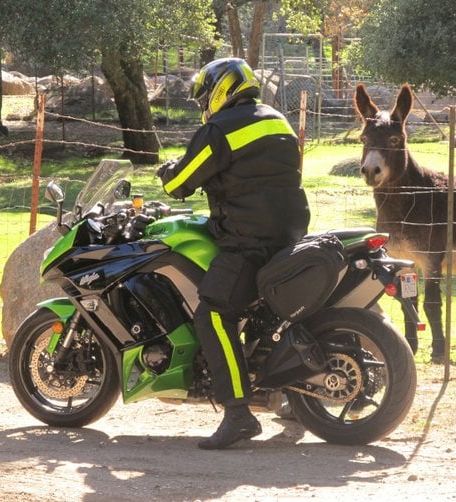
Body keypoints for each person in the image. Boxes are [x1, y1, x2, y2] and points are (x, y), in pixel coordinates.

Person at [157, 58, 310, 449]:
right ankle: (292, 394)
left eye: (204, 96)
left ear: (220, 90)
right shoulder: (277, 119)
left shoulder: (221, 129)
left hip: (249, 239)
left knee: (213, 314)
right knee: (262, 316)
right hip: (290, 232)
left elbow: (179, 182)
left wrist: (166, 170)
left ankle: (238, 413)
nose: (203, 104)